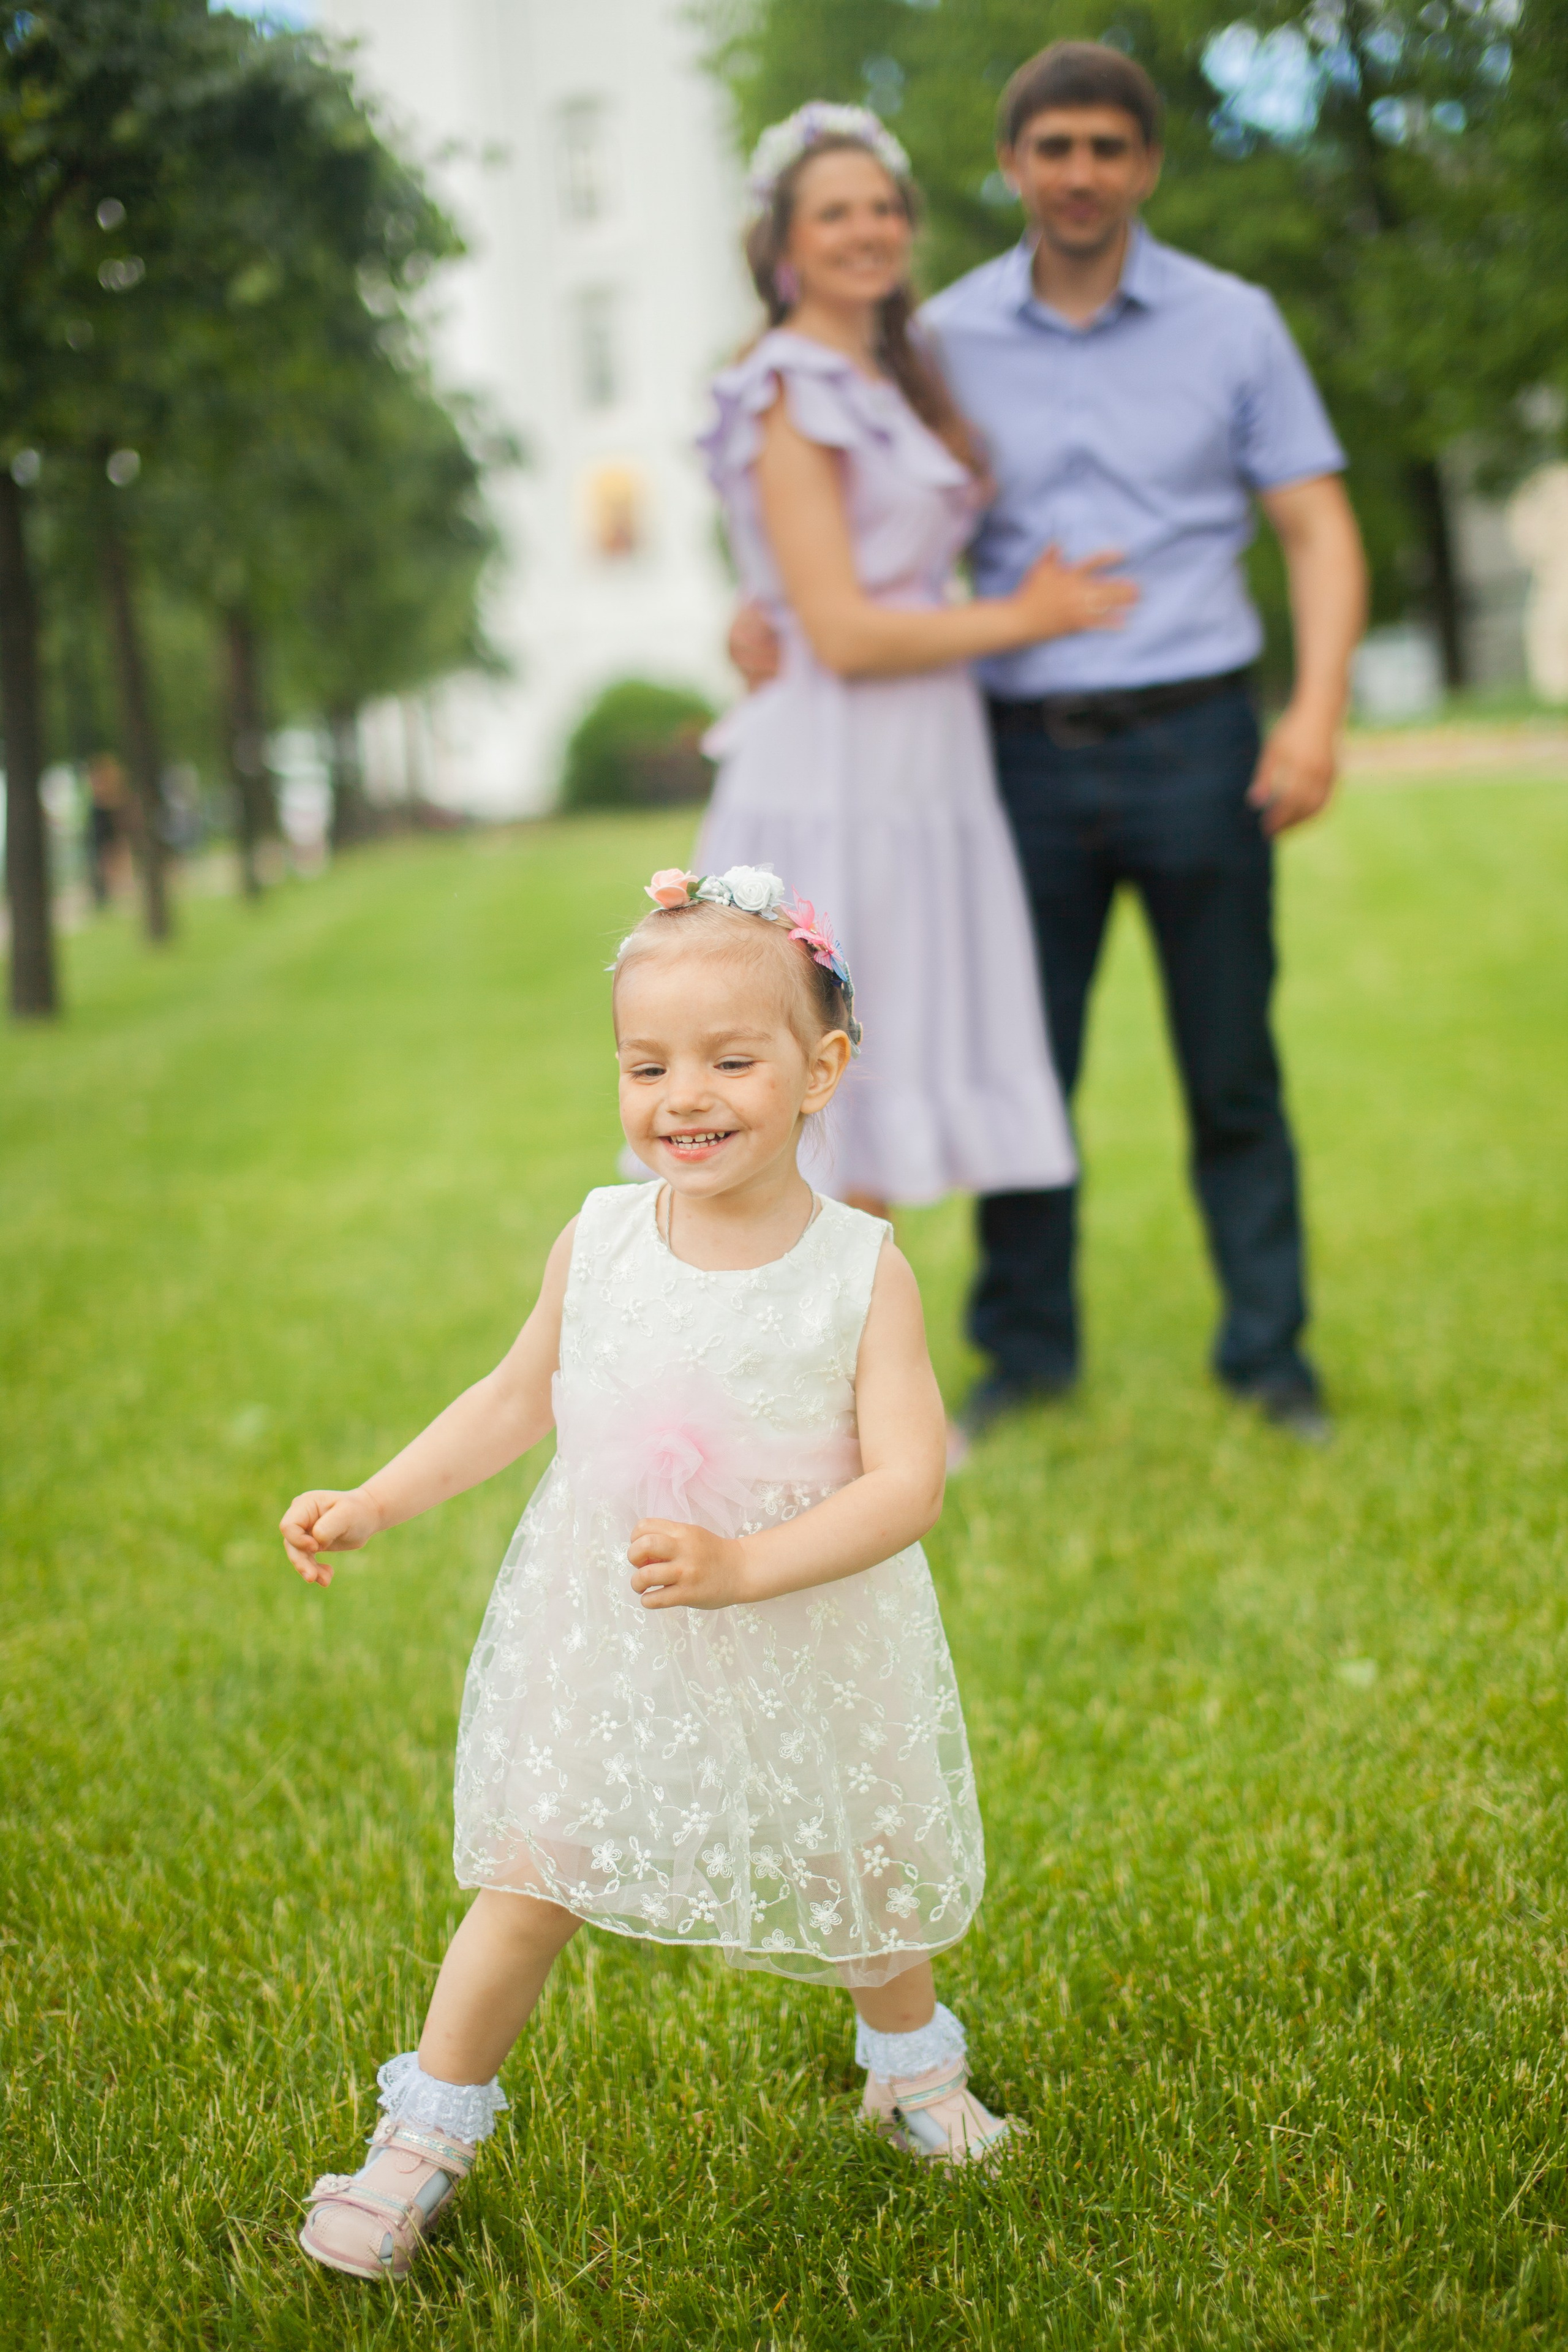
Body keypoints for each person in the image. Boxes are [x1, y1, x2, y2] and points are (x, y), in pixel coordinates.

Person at [281, 865, 1014, 2283]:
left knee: (848, 1845)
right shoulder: (604, 1236)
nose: (684, 1094)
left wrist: (747, 1565)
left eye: (731, 1059)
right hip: (610, 1625)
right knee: (533, 1869)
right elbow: (514, 1398)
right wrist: (376, 1499)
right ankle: (421, 2137)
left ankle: (910, 2074)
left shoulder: (861, 1269)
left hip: (797, 1611)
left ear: (821, 1070)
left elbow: (905, 1485)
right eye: (646, 1063)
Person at [737, 50, 1367, 1442]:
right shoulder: (939, 339)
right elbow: (847, 506)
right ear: (1013, 167)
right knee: (1027, 1053)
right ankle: (1022, 1359)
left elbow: (1316, 528)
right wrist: (761, 603)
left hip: (1200, 737)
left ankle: (1269, 1358)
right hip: (1007, 751)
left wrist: (1312, 714)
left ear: (1143, 165)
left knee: (1230, 1064)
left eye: (1106, 148)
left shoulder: (1234, 325)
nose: (1079, 172)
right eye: (1052, 148)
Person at [696, 102, 1137, 1220]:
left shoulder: (898, 373)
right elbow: (839, 631)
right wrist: (1027, 617)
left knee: (878, 1081)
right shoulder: (790, 387)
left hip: (923, 761)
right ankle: (788, 1382)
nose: (867, 231)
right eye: (835, 213)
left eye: (885, 208)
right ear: (785, 247)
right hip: (835, 770)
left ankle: (857, 1380)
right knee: (819, 1086)